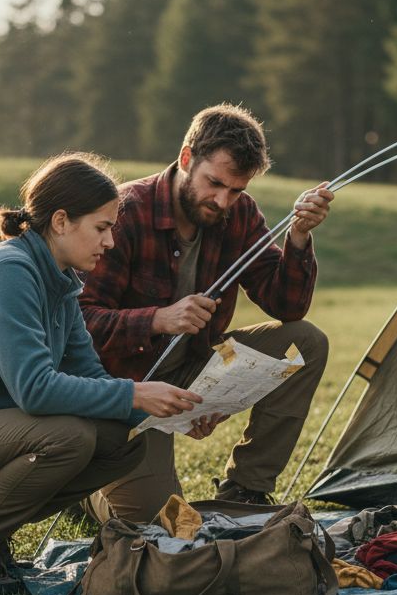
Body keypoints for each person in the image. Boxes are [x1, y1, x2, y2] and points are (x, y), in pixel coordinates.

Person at [0, 152, 208, 595]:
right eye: (102, 228)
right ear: (62, 220)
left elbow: (90, 374)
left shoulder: (61, 282)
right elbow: (34, 390)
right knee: (69, 436)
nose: (109, 242)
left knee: (122, 440)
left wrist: (171, 413)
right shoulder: (8, 271)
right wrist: (135, 394)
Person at [79, 103, 335, 522]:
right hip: (128, 389)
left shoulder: (240, 213)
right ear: (185, 158)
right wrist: (158, 318)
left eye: (236, 189)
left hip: (196, 372)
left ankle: (247, 489)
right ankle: (88, 492)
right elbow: (79, 323)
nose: (223, 201)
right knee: (166, 524)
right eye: (214, 183)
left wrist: (299, 237)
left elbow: (286, 305)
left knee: (305, 341)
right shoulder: (126, 211)